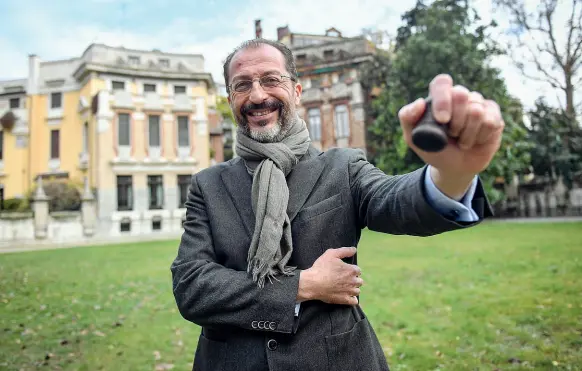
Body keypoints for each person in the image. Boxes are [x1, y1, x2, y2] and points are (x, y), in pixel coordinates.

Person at [171, 38, 501, 371]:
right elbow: (192, 287)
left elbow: (395, 200)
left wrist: (452, 173)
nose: (258, 96)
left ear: (297, 91)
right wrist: (304, 285)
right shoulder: (207, 185)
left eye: (272, 80)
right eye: (242, 85)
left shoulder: (342, 167)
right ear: (230, 100)